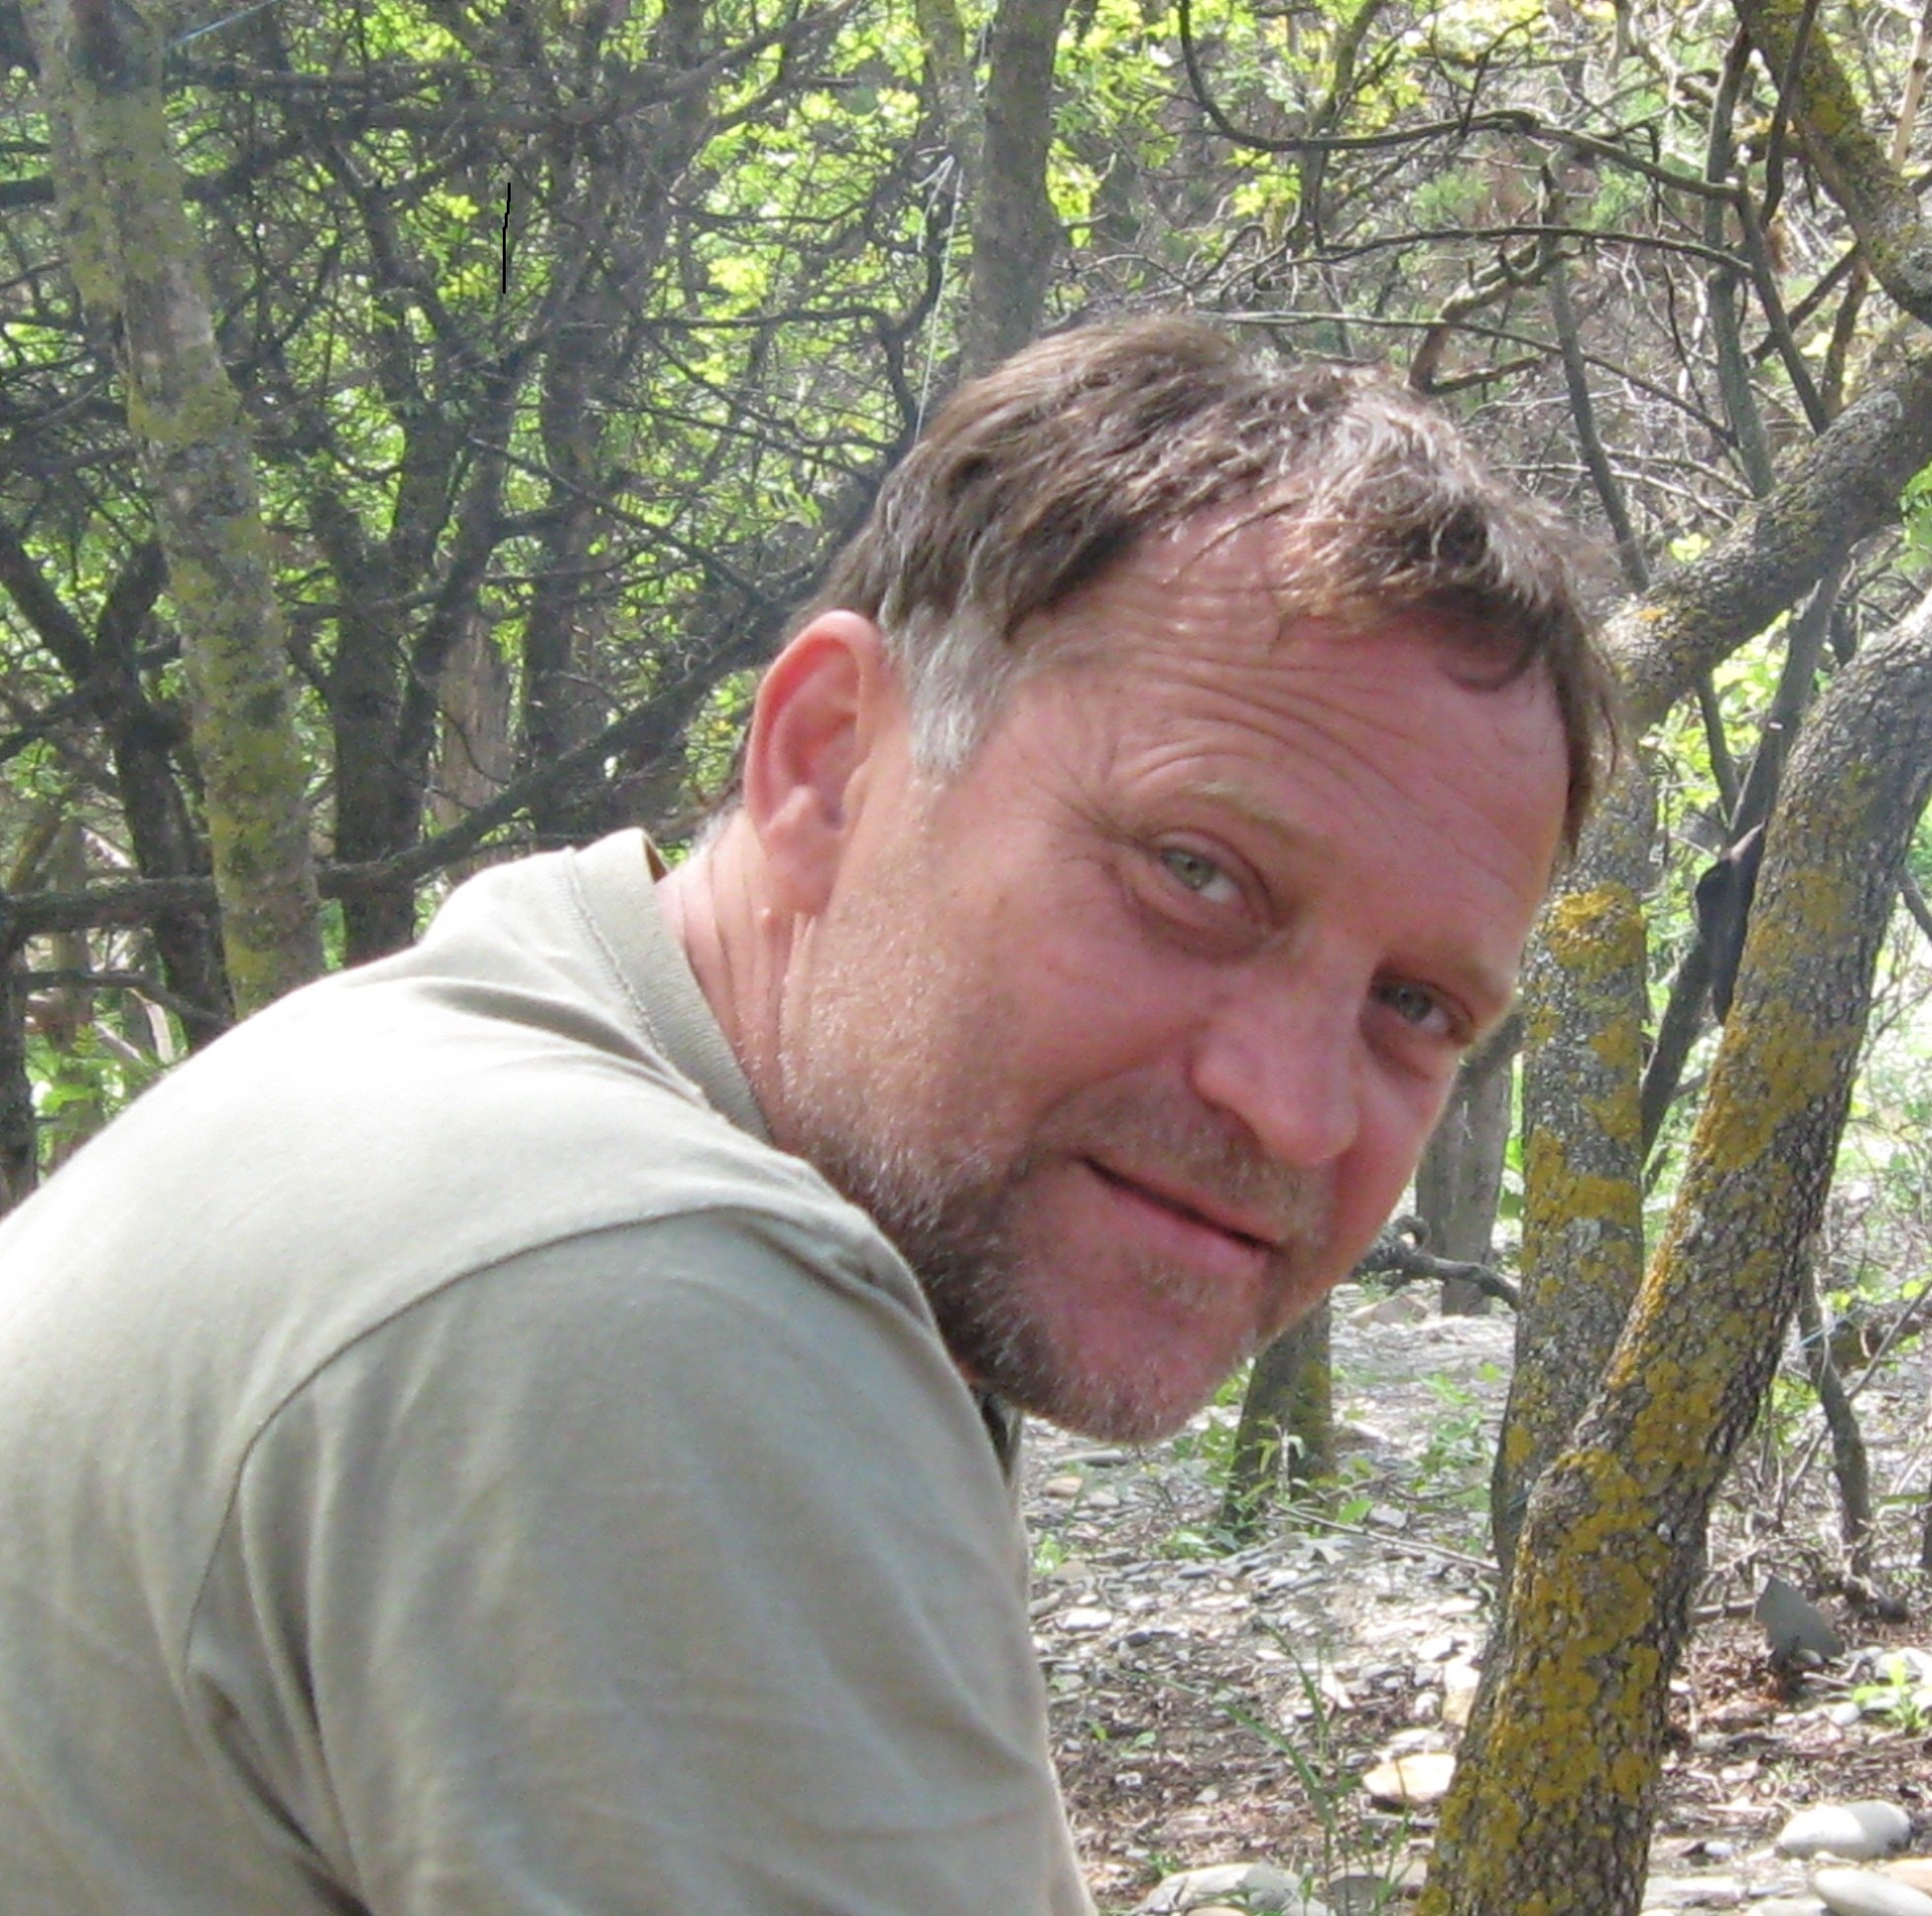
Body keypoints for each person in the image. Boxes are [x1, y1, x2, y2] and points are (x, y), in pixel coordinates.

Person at [0, 315, 1613, 1915]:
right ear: (827, 762)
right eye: (1195, 875)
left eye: (1418, 1008)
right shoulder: (639, 1300)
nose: (1296, 1109)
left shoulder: (456, 1089)